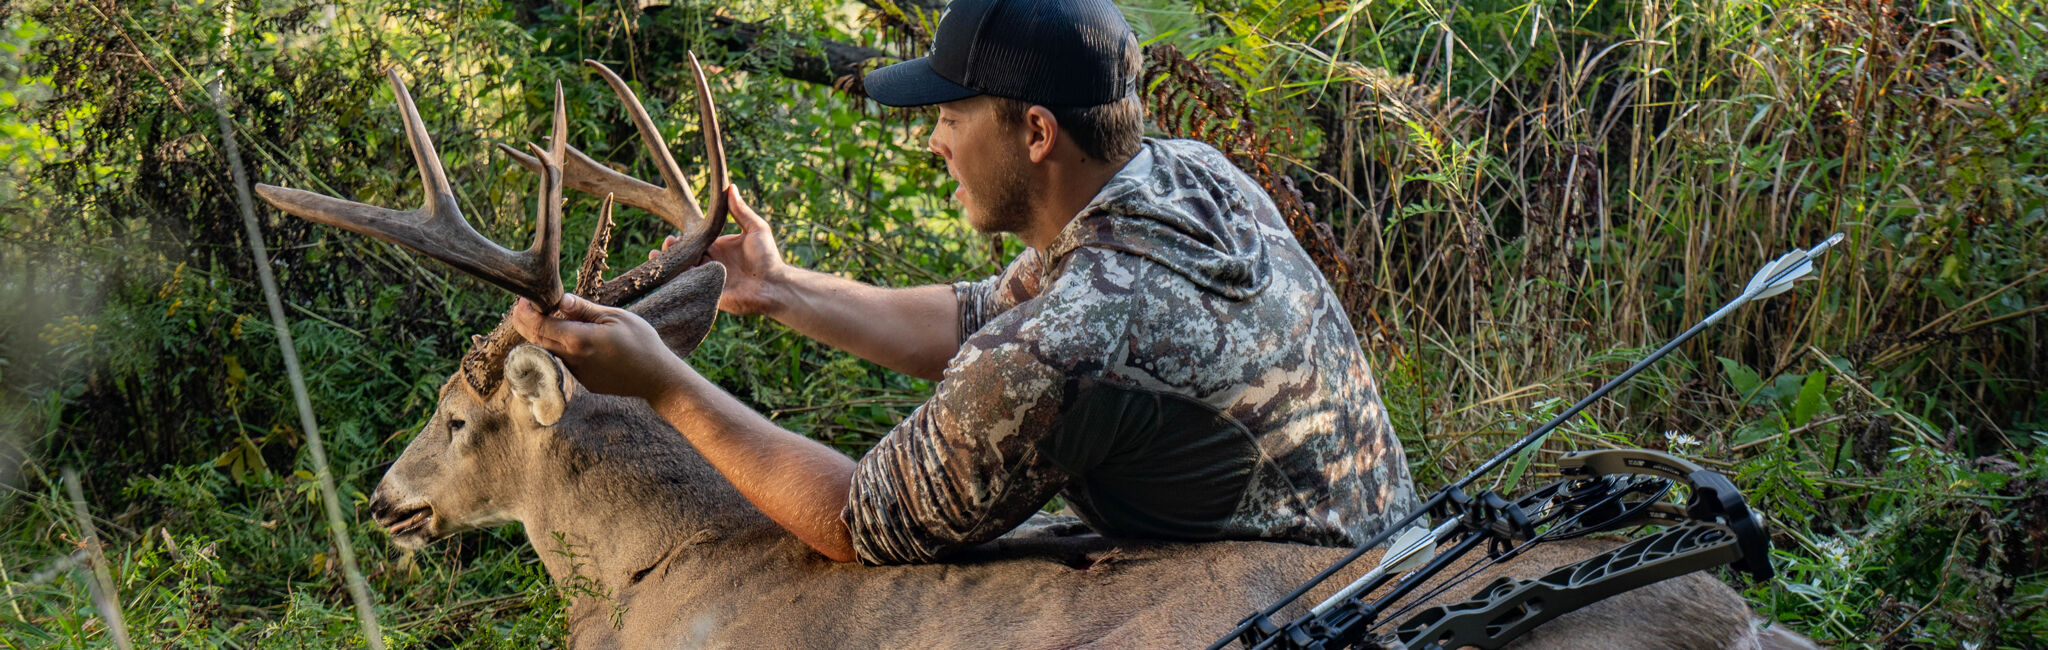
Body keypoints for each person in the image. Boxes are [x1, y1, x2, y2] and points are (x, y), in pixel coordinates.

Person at [510, 0, 1418, 565]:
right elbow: (982, 314)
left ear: (1034, 132)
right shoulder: (1189, 174)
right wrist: (779, 287)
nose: (933, 141)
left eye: (948, 116)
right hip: (1380, 526)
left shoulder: (1068, 346)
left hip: (1311, 597)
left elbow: (859, 519)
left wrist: (663, 383)